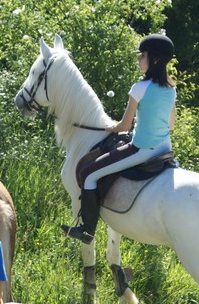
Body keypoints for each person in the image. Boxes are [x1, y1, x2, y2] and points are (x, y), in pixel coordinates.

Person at [61, 33, 176, 244]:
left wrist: (111, 127)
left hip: (142, 150)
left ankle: (86, 230)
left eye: (143, 55)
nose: (139, 60)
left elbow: (123, 125)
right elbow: (170, 125)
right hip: (165, 149)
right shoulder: (171, 89)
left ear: (155, 60)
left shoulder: (139, 89)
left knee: (88, 174)